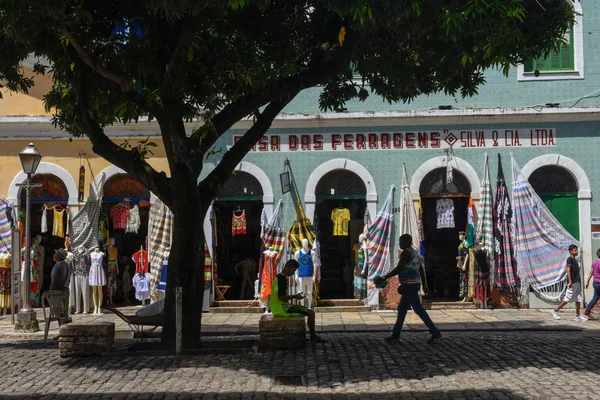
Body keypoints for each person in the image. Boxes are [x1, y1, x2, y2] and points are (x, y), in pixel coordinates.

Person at [378, 234, 442, 344]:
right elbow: (421, 269)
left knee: (418, 309)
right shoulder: (415, 254)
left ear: (407, 242)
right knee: (402, 310)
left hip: (409, 284)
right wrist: (425, 285)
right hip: (413, 284)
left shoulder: (406, 253)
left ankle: (435, 332)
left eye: (401, 241)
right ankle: (395, 335)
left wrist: (385, 277)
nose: (399, 243)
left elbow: (399, 268)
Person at [270, 259, 325, 343]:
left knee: (304, 311)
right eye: (293, 270)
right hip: (282, 309)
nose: (293, 273)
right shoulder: (281, 279)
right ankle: (313, 336)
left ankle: (301, 335)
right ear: (289, 268)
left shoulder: (279, 277)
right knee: (311, 313)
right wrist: (295, 296)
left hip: (278, 308)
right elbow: (281, 297)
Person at [552, 244, 585, 321]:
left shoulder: (575, 260)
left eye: (577, 250)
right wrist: (570, 281)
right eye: (575, 250)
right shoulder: (569, 259)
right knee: (568, 298)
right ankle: (555, 310)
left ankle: (577, 316)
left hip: (577, 282)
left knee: (578, 298)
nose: (576, 251)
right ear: (570, 251)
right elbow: (568, 270)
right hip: (572, 282)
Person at [582, 248, 600, 320]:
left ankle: (587, 311)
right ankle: (587, 311)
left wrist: (587, 282)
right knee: (596, 297)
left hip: (595, 282)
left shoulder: (595, 263)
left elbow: (591, 273)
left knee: (595, 297)